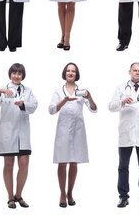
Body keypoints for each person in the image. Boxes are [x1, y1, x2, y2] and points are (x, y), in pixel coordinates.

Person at [0, 63, 38, 209]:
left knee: (24, 165)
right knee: (8, 165)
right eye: (14, 73)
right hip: (8, 133)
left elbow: (34, 106)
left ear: (23, 75)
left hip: (23, 133)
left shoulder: (28, 91)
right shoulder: (4, 90)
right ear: (10, 75)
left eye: (19, 73)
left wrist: (23, 104)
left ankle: (19, 195)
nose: (16, 76)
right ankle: (10, 197)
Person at [108, 62, 139, 208]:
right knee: (123, 166)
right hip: (126, 133)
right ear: (129, 71)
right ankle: (123, 197)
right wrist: (122, 101)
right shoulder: (120, 88)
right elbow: (110, 107)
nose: (137, 72)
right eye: (134, 70)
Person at [48, 62, 97, 207]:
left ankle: (70, 192)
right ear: (64, 73)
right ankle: (62, 194)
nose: (70, 73)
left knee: (74, 162)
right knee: (62, 162)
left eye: (73, 71)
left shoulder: (81, 91)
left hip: (78, 130)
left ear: (77, 74)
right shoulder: (58, 91)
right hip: (63, 130)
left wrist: (89, 97)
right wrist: (63, 101)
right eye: (68, 71)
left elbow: (94, 109)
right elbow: (51, 110)